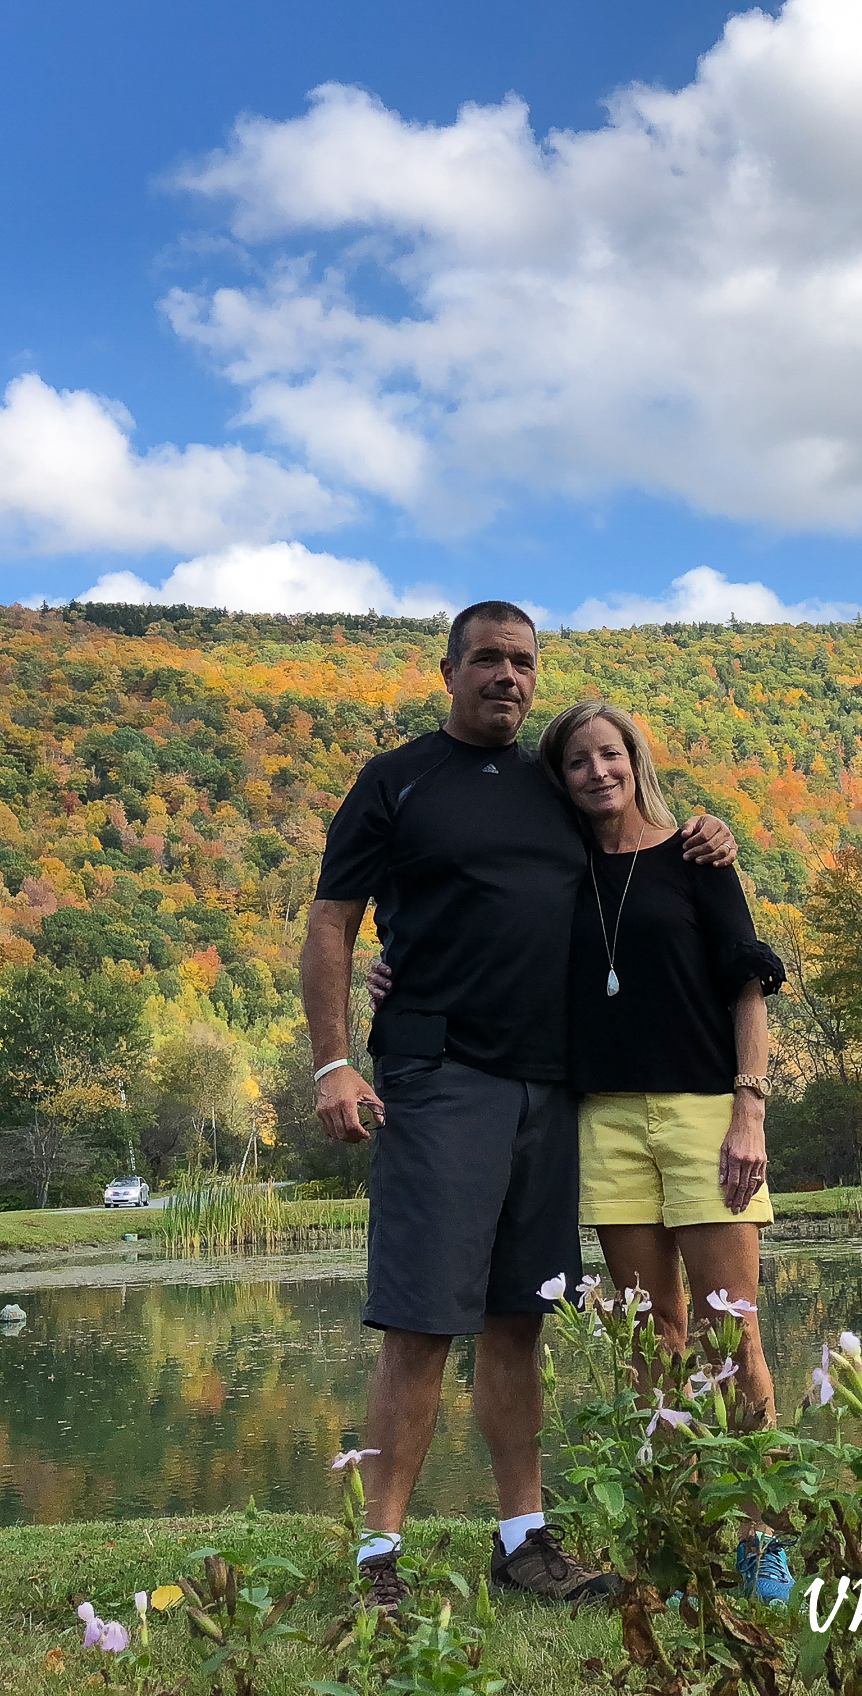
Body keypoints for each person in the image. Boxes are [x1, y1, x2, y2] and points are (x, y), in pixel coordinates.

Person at [302, 601, 738, 1609]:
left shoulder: (554, 791)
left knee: (519, 1320)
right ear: (448, 669)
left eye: (523, 662)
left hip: (552, 1089)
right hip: (440, 1078)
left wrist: (702, 833)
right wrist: (333, 1061)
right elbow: (333, 921)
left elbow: (635, 854)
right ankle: (377, 1556)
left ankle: (523, 1541)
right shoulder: (395, 781)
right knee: (419, 1323)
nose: (507, 676)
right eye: (488, 659)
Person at [538, 698, 792, 1601]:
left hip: (702, 1115)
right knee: (654, 1339)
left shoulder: (696, 853)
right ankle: (683, 1528)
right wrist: (397, 966)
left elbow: (746, 985)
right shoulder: (558, 869)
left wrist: (748, 1109)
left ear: (633, 759)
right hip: (603, 1122)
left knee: (732, 1329)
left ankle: (762, 1536)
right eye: (577, 762)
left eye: (609, 755)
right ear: (559, 776)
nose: (596, 772)